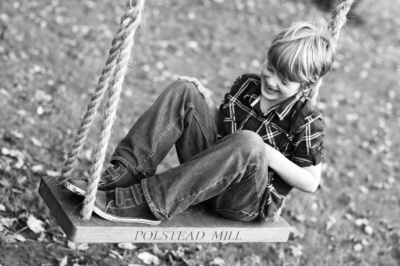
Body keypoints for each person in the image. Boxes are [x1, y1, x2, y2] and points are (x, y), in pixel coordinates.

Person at [70, 21, 335, 224]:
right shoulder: (247, 86)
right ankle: (123, 175)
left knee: (250, 142)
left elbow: (311, 182)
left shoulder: (307, 120)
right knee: (185, 90)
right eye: (271, 68)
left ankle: (143, 203)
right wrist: (205, 105)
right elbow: (224, 130)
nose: (272, 81)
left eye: (284, 81)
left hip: (243, 201)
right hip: (210, 175)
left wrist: (267, 154)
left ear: (307, 84)